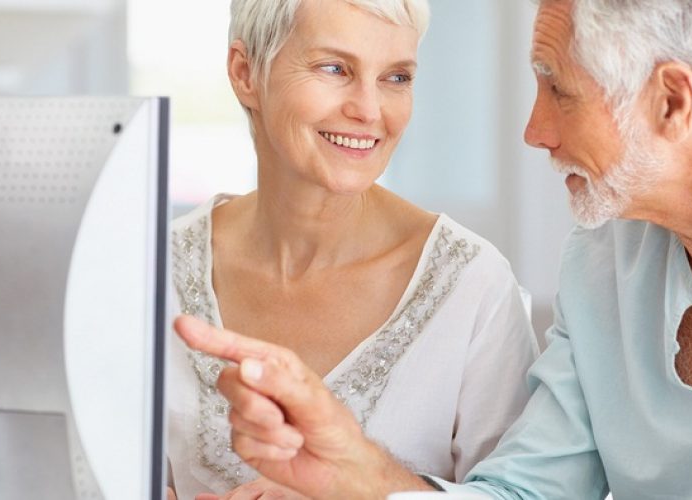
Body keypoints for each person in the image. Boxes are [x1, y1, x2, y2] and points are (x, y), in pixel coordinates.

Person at [173, 0, 692, 497]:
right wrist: (356, 469)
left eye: (556, 89)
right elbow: (526, 493)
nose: (535, 131)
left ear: (672, 100)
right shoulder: (603, 265)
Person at [165, 0, 539, 498]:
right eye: (334, 68)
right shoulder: (154, 269)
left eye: (397, 77)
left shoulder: (472, 285)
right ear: (245, 73)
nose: (369, 110)